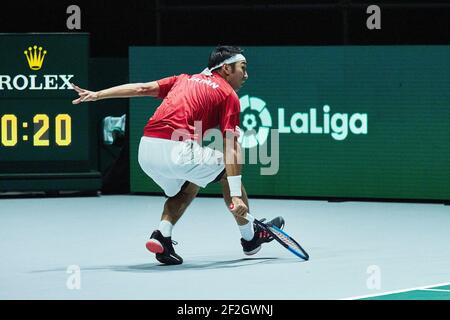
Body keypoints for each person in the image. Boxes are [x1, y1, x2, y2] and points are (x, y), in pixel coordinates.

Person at [71, 46, 284, 265]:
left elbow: (142, 89)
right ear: (227, 69)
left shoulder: (183, 79)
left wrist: (97, 95)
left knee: (187, 186)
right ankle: (250, 238)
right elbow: (231, 146)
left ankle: (163, 235)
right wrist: (236, 194)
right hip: (178, 151)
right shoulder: (228, 94)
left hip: (146, 152)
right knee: (225, 173)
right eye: (243, 68)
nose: (246, 75)